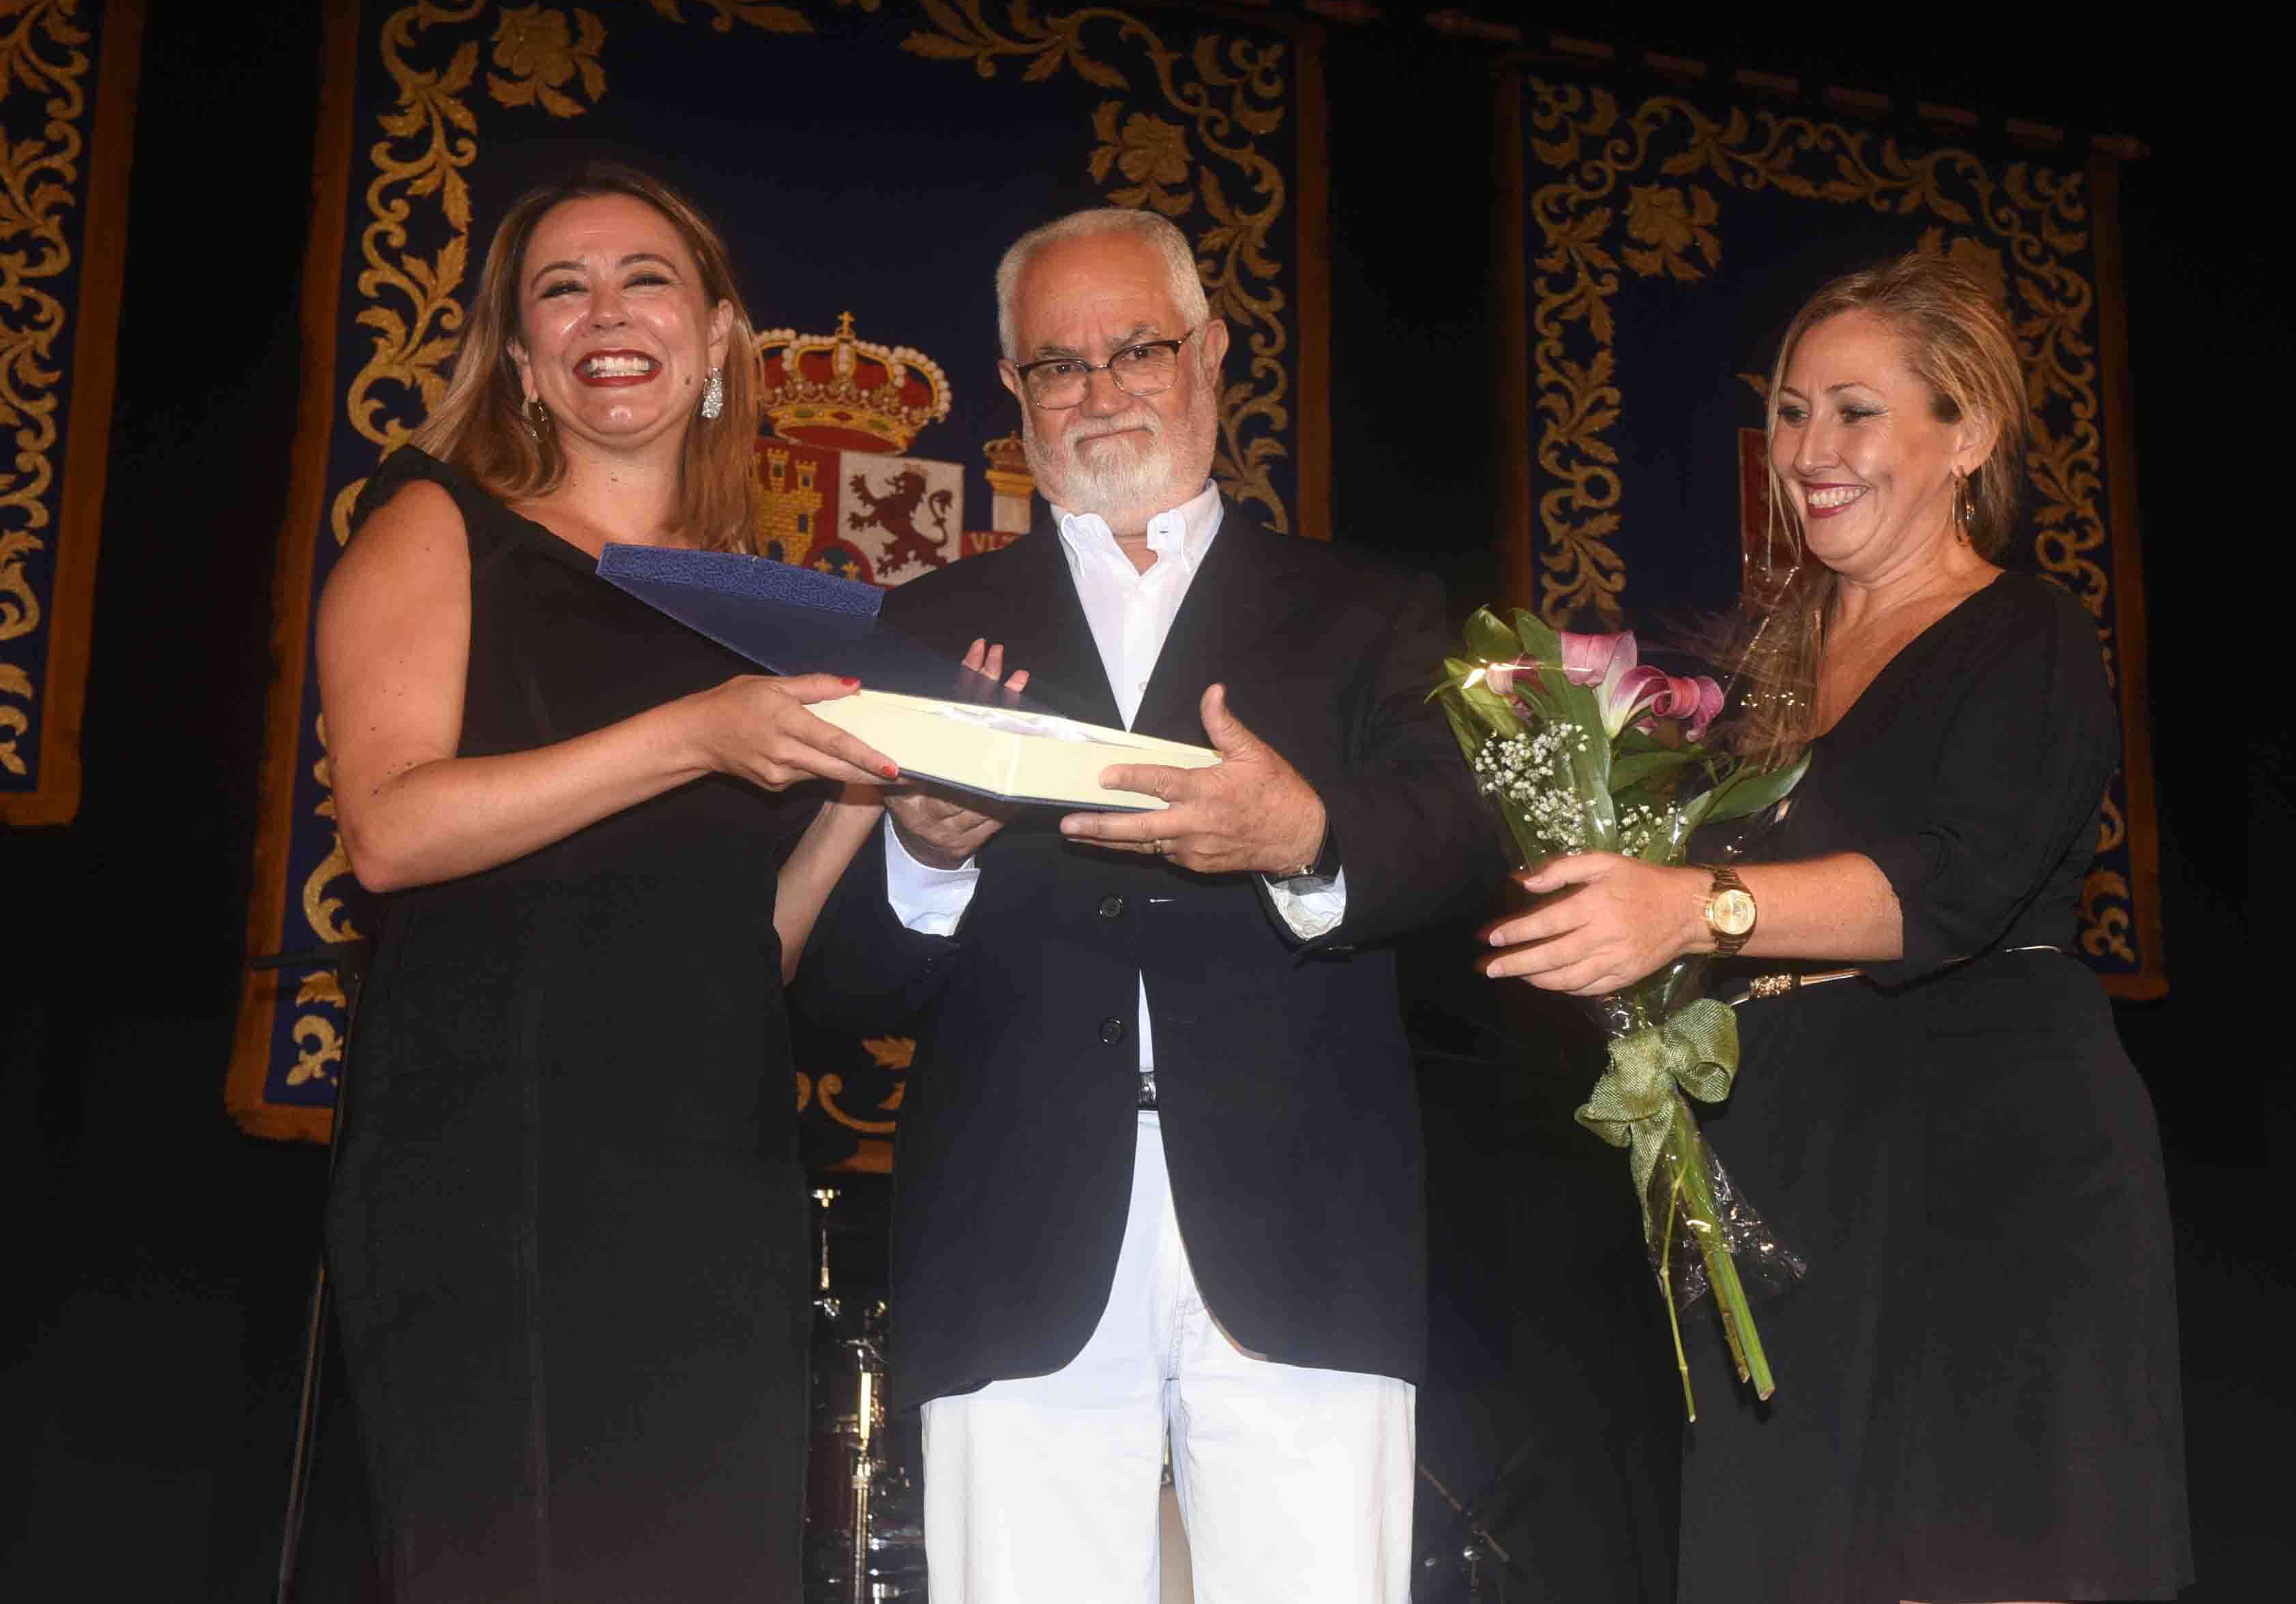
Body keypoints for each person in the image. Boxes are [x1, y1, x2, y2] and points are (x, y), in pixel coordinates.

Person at [795, 207, 1490, 1602]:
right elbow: (837, 988)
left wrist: (1305, 834)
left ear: (1212, 352)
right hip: (1011, 1230)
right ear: (1015, 390)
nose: (1101, 390)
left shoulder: (1369, 610)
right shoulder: (918, 630)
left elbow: (1467, 852)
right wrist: (926, 854)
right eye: (1060, 365)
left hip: (1307, 1220)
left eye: (1138, 349)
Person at [1484, 252, 2191, 1603]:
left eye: (1855, 411)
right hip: (1793, 1162)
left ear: (1967, 433)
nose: (1809, 451)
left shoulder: (2025, 631)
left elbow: (1953, 880)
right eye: (1791, 413)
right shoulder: (1766, 668)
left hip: (1984, 1160)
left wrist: (1692, 907)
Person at [317, 164, 947, 1601]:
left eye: (644, 279)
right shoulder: (439, 519)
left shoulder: (764, 603)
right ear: (522, 354)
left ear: (717, 337)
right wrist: (694, 735)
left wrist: (869, 790)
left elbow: (750, 946)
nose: (606, 312)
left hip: (718, 1175)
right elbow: (389, 832)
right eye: (564, 289)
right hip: (500, 1164)